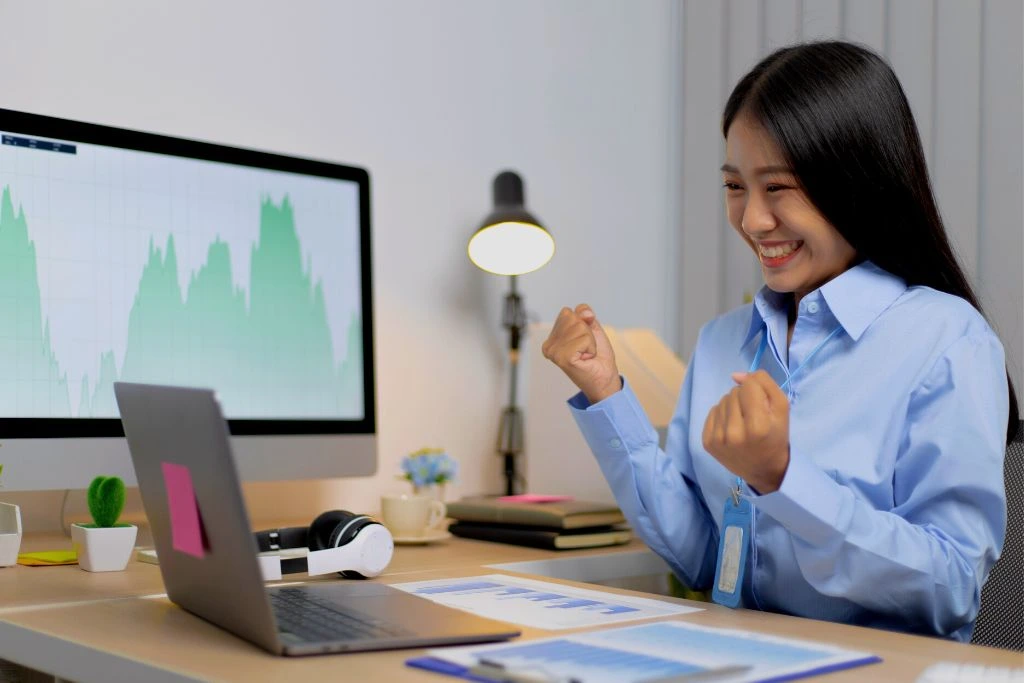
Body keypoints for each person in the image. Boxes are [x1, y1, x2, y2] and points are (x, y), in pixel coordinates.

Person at [542, 40, 1018, 642]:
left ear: (858, 183)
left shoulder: (946, 339)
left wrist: (784, 479)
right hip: (742, 658)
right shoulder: (721, 343)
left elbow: (949, 588)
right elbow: (708, 561)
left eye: (779, 187)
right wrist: (607, 393)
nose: (752, 220)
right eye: (735, 186)